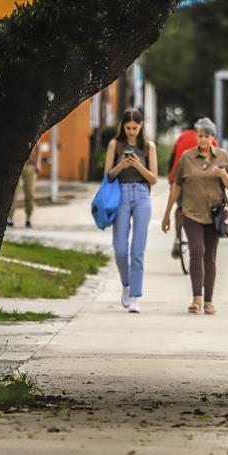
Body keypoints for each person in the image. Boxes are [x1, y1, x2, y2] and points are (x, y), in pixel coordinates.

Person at [162, 117, 228, 315]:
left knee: (210, 256)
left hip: (215, 214)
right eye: (200, 136)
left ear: (213, 137)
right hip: (191, 213)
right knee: (196, 251)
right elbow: (177, 185)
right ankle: (196, 298)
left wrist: (223, 176)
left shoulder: (223, 156)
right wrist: (167, 213)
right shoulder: (186, 158)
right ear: (196, 136)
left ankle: (209, 301)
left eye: (207, 136)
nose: (203, 140)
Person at [104, 108, 158, 313]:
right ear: (123, 127)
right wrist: (122, 165)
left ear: (141, 126)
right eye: (128, 127)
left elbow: (153, 178)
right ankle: (126, 284)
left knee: (138, 250)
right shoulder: (115, 145)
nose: (132, 131)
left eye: (135, 127)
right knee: (119, 248)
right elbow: (108, 176)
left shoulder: (148, 147)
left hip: (142, 194)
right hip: (121, 194)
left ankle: (135, 296)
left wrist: (138, 166)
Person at [167, 122, 217, 258]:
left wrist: (170, 177)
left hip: (178, 178)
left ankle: (178, 239)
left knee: (181, 208)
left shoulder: (182, 136)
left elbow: (171, 158)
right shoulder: (212, 141)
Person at [7, 145, 38, 228]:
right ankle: (10, 217)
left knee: (30, 193)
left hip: (30, 165)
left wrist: (38, 164)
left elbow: (37, 145)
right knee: (14, 192)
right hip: (16, 165)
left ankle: (28, 218)